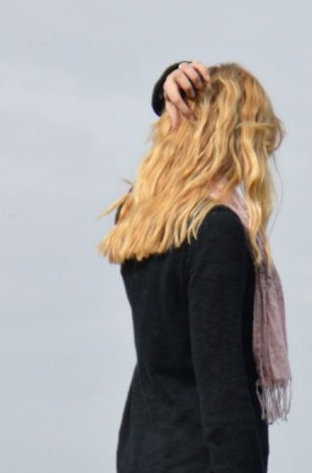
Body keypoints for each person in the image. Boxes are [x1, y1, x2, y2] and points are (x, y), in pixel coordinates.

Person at [97, 61, 287, 472]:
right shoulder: (217, 232)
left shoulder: (140, 224)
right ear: (236, 136)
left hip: (140, 454)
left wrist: (169, 88)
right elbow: (221, 388)